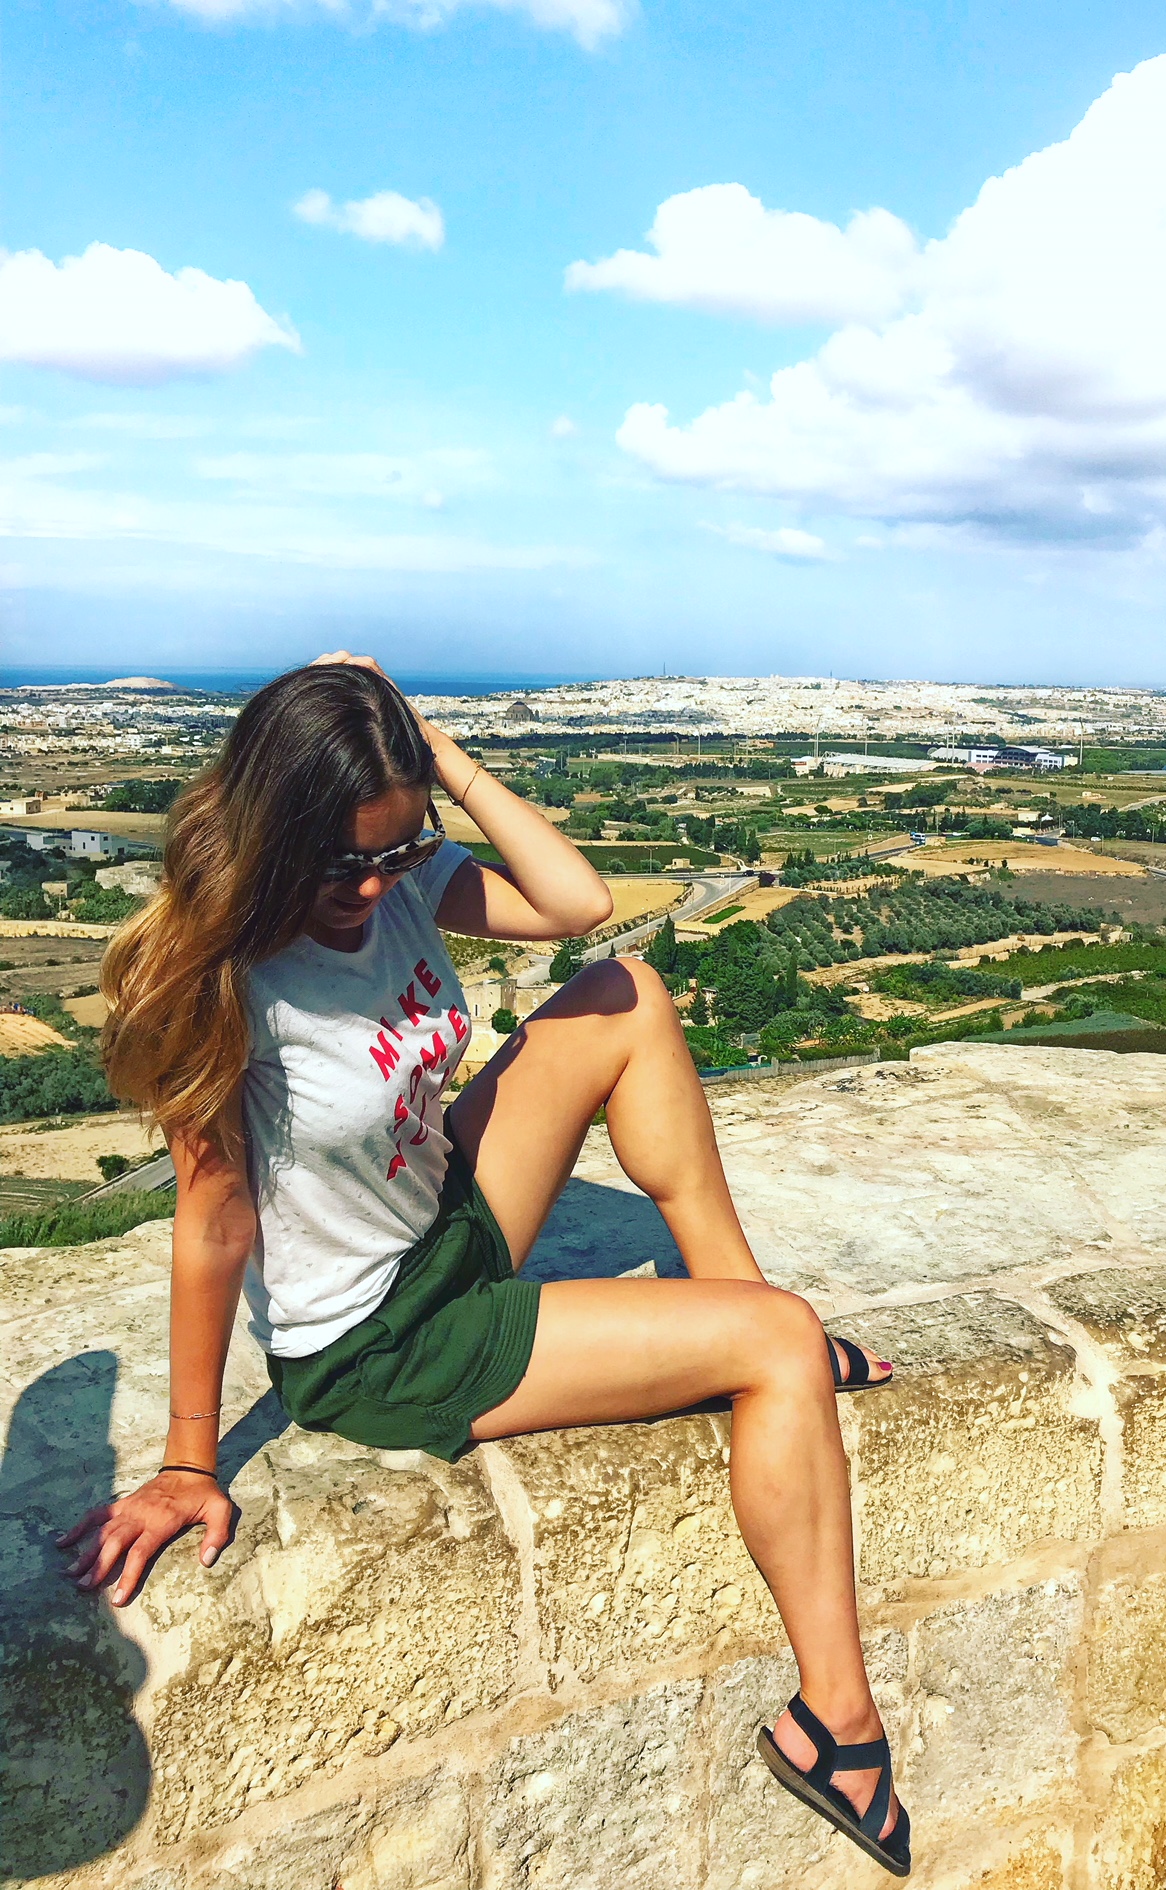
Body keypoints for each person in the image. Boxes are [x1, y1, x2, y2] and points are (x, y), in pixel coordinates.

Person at [55, 657, 910, 1877]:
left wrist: (439, 763)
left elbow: (577, 905)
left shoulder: (396, 873)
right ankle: (838, 1720)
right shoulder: (227, 978)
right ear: (272, 830)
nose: (367, 889)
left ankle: (740, 1301)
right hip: (377, 1341)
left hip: (444, 1225)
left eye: (395, 855)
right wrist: (191, 1458)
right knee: (776, 1342)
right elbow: (214, 1223)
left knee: (627, 995)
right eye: (341, 861)